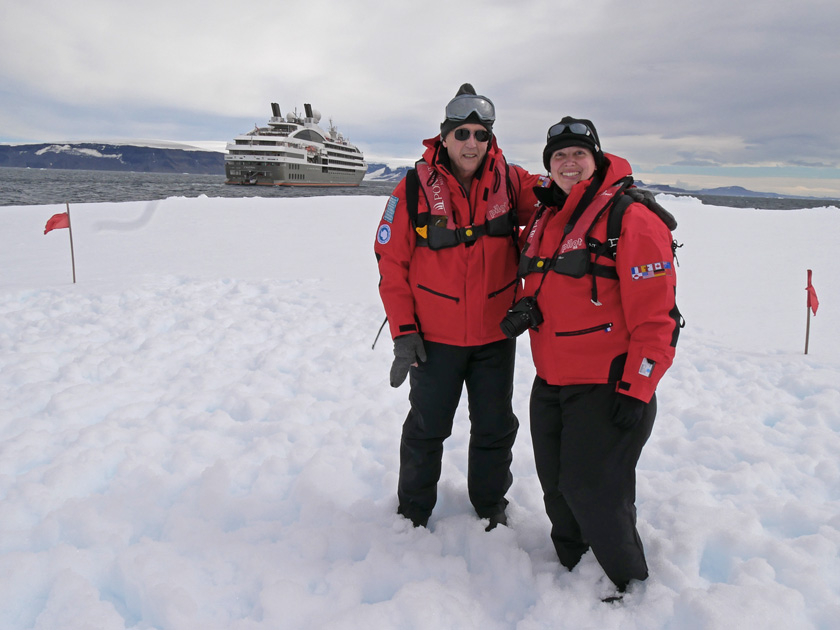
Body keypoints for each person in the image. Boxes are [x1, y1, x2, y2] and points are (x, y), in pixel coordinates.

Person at [515, 116, 681, 597]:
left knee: (595, 490)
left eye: (578, 154)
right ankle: (574, 566)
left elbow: (658, 318)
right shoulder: (549, 216)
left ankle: (630, 587)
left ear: (597, 158)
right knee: (556, 484)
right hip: (551, 379)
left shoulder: (631, 218)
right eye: (559, 156)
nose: (569, 163)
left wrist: (638, 387)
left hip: (608, 383)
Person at [374, 84, 545, 530]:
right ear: (444, 138)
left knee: (494, 427)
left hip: (495, 336)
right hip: (435, 339)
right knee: (426, 429)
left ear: (491, 140)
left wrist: (617, 197)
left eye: (481, 135)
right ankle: (413, 511)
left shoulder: (512, 180)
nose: (472, 143)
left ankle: (490, 504)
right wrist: (404, 333)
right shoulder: (411, 188)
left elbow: (563, 197)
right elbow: (391, 264)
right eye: (463, 133)